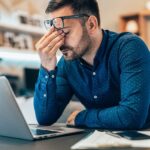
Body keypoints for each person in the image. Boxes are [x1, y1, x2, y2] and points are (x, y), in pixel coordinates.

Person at [34, 0, 150, 130]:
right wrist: (46, 66)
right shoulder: (67, 63)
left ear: (91, 24)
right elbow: (44, 118)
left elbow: (131, 116)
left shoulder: (129, 48)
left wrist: (83, 117)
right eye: (55, 34)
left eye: (65, 33)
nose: (60, 43)